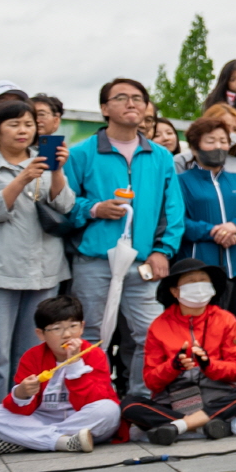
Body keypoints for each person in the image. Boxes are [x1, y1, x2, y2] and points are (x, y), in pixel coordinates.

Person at [65, 78, 185, 395]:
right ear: (105, 108)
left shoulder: (161, 157)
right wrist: (95, 209)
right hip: (93, 260)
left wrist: (163, 250)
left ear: (146, 107)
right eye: (121, 98)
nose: (131, 103)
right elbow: (64, 205)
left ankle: (141, 401)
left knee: (152, 334)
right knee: (90, 334)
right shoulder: (82, 154)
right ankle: (91, 401)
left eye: (137, 98)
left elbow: (172, 210)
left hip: (143, 262)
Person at [0, 101, 74, 405]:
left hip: (44, 270)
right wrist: (23, 177)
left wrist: (58, 171)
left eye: (28, 123)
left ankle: (24, 417)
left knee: (32, 355)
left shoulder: (44, 160)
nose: (23, 130)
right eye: (14, 124)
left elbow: (64, 206)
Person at [122, 259, 236, 444]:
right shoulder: (159, 325)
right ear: (174, 291)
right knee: (129, 405)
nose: (198, 286)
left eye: (203, 280)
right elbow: (151, 380)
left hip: (215, 395)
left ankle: (177, 427)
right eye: (191, 281)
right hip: (173, 398)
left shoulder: (226, 320)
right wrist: (174, 366)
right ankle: (209, 424)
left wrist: (209, 365)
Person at [177, 117, 236, 379]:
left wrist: (235, 227)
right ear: (195, 147)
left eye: (223, 141)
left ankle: (231, 378)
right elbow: (179, 220)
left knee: (235, 324)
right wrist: (213, 231)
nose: (218, 146)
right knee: (200, 326)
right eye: (211, 141)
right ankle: (196, 380)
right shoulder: (182, 181)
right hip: (201, 266)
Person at [0, 295, 121, 454]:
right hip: (41, 419)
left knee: (109, 410)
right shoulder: (32, 357)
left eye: (73, 326)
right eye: (57, 328)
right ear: (40, 334)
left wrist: (75, 365)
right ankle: (62, 441)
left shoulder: (94, 354)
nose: (67, 334)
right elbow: (22, 410)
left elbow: (95, 400)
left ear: (82, 327)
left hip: (81, 418)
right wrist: (21, 393)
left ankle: (27, 440)